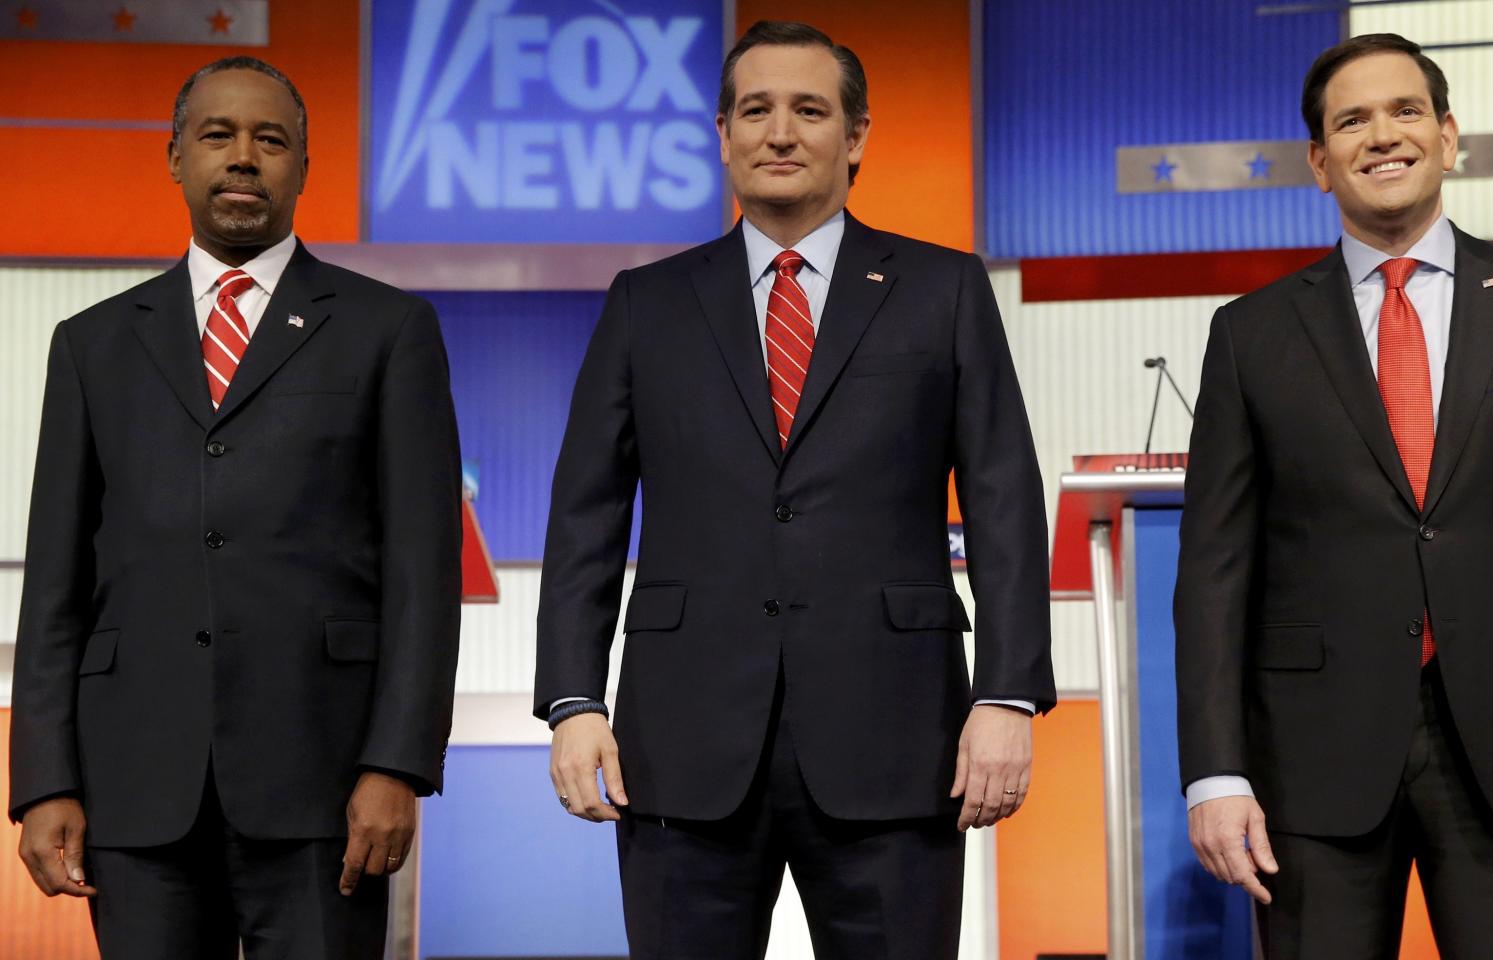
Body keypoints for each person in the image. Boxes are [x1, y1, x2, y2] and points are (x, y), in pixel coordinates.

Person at [535, 20, 1053, 959]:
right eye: (756, 110)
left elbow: (1004, 503)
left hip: (898, 743)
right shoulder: (644, 303)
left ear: (855, 137)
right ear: (723, 134)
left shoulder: (943, 290)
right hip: (682, 746)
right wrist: (572, 704)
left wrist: (1007, 696)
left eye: (809, 110)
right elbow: (586, 519)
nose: (781, 132)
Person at [1174, 32, 1493, 959]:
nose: (1382, 135)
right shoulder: (1250, 335)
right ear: (1319, 164)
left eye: (1405, 111)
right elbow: (1213, 571)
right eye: (1352, 120)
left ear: (1448, 137)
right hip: (1310, 763)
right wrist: (1214, 773)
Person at [7, 56, 462, 959]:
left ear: (303, 164)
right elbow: (55, 582)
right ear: (175, 157)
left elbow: (423, 570)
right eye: (218, 135)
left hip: (325, 786)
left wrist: (396, 764)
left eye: (271, 139)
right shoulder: (91, 346)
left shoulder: (389, 331)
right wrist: (43, 782)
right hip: (134, 788)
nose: (244, 157)